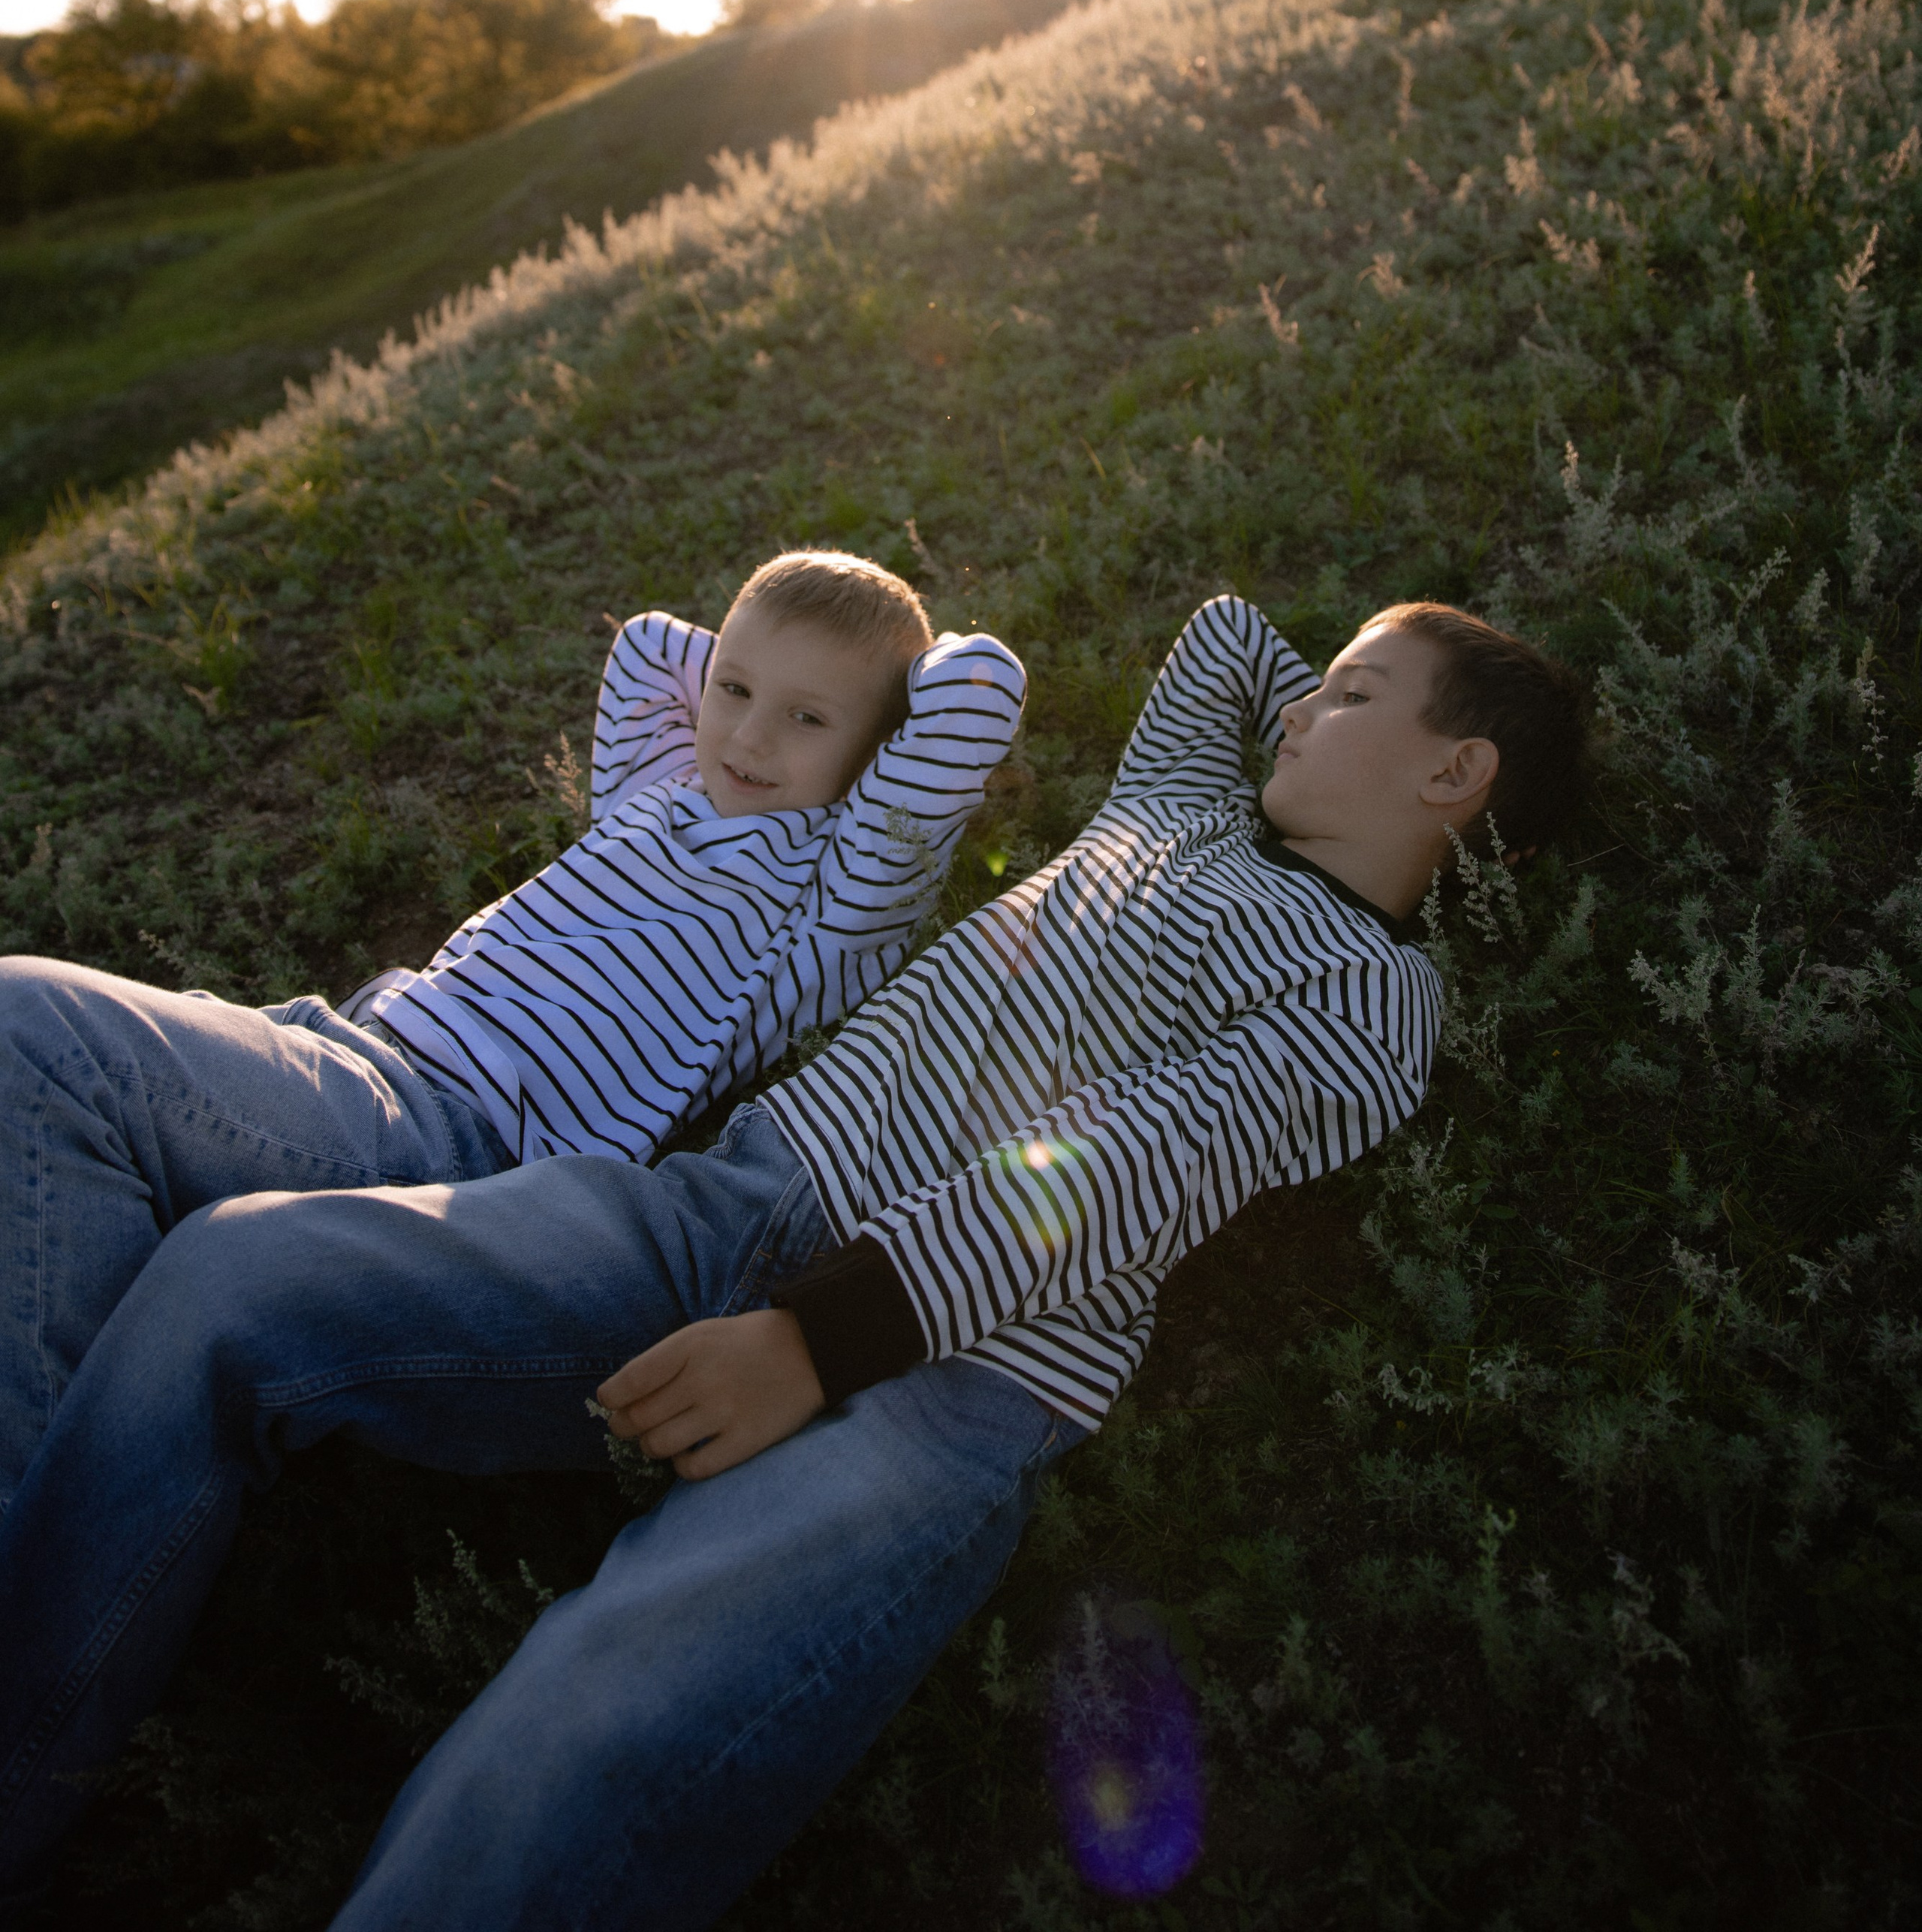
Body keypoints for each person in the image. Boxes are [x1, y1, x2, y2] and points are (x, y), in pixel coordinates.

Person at [0, 592, 1587, 1925]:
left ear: (1457, 769)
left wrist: (821, 1341)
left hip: (950, 1382)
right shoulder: (1176, 802)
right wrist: (1338, 688)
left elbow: (1128, 1164)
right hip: (732, 1205)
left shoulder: (1373, 998)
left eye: (1354, 695)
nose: (1300, 708)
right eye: (1321, 684)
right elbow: (1226, 636)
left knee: (587, 1715)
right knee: (231, 1274)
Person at [0, 545, 1027, 1507]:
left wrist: (883, 687)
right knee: (59, 1128)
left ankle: (42, 1522)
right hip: (357, 1040)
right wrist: (769, 669)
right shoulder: (662, 789)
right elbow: (646, 648)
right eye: (733, 690)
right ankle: (92, 1444)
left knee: (31, 1024)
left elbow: (979, 687)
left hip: (453, 1126)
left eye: (807, 719)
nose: (749, 740)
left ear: (881, 750)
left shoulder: (840, 897)